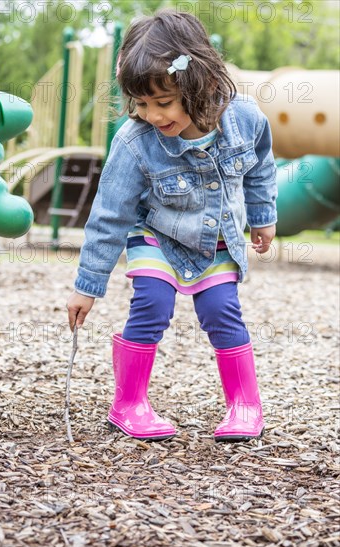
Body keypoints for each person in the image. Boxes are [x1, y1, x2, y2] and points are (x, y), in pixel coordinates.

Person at [67, 9, 277, 443]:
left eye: (163, 103)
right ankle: (128, 404)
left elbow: (260, 167)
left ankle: (244, 404)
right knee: (152, 304)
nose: (152, 115)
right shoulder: (134, 141)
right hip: (155, 235)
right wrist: (87, 285)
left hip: (215, 238)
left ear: (200, 85)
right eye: (141, 104)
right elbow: (109, 213)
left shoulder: (245, 118)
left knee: (222, 312)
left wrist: (263, 217)